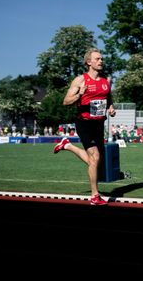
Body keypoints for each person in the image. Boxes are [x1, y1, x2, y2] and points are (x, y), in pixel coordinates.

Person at [53, 48, 116, 206]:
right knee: (94, 158)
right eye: (97, 59)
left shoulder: (105, 81)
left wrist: (111, 107)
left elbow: (108, 97)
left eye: (101, 59)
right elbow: (66, 101)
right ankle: (95, 195)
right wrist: (80, 94)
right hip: (84, 123)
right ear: (89, 62)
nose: (101, 61)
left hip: (99, 124)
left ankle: (67, 145)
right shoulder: (80, 80)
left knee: (95, 161)